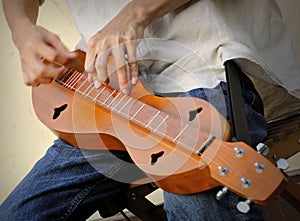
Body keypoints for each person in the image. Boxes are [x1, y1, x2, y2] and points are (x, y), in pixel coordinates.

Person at [1, 0, 300, 220]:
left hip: (201, 67)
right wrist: (23, 33)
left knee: (196, 208)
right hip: (101, 88)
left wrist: (135, 14)